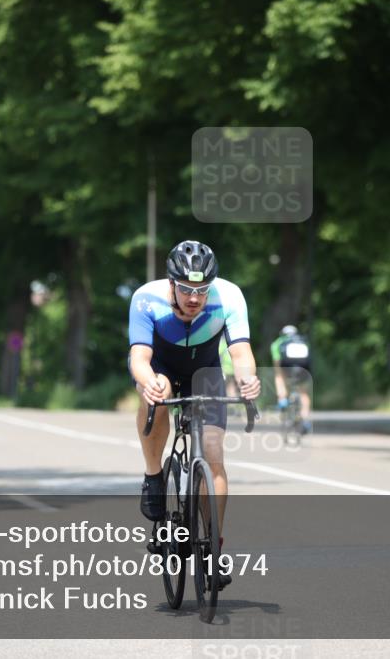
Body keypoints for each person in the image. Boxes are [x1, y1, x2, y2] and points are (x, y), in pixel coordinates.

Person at [128, 240, 261, 589]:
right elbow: (139, 358)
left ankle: (213, 549)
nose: (193, 298)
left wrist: (248, 379)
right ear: (171, 283)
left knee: (214, 455)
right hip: (161, 368)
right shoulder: (146, 298)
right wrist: (149, 383)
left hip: (206, 371)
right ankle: (154, 475)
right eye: (186, 289)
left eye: (201, 290)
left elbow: (241, 351)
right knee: (158, 392)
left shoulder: (229, 297)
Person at [271, 325, 312, 434]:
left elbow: (277, 363)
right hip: (303, 368)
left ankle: (282, 399)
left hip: (287, 367)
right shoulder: (302, 341)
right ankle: (305, 419)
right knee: (304, 393)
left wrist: (279, 374)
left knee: (279, 376)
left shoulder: (278, 343)